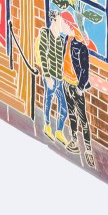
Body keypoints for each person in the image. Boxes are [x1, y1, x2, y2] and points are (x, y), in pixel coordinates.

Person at [59, 13, 95, 169]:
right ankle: (74, 139)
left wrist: (80, 88)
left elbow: (85, 70)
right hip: (66, 82)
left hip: (76, 86)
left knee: (83, 119)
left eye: (64, 24)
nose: (62, 26)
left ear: (69, 25)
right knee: (71, 114)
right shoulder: (66, 39)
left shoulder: (81, 46)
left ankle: (88, 150)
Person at [35, 11, 69, 145]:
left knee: (64, 106)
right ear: (54, 21)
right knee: (48, 100)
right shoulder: (45, 34)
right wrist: (47, 76)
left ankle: (59, 131)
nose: (62, 24)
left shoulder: (60, 40)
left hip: (59, 77)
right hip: (49, 75)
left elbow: (61, 60)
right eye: (60, 21)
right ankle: (47, 125)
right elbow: (43, 55)